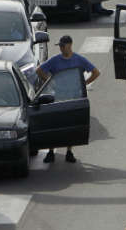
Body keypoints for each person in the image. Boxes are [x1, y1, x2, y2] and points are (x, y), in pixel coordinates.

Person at [36, 35, 101, 164]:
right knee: (55, 124)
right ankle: (51, 151)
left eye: (62, 45)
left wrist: (84, 84)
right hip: (58, 96)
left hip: (74, 97)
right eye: (59, 46)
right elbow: (39, 70)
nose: (60, 48)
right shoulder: (55, 60)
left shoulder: (79, 60)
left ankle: (69, 152)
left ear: (70, 45)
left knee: (70, 124)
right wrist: (50, 82)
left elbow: (96, 72)